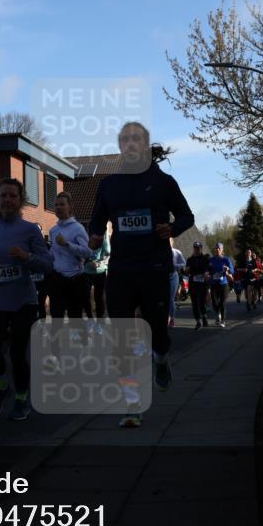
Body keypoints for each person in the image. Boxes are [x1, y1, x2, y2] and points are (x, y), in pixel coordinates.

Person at [88, 122, 194, 427]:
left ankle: (161, 359)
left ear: (145, 146)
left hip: (155, 267)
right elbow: (96, 220)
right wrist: (95, 235)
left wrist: (172, 228)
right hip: (121, 268)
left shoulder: (163, 182)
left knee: (158, 332)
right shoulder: (109, 185)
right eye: (126, 140)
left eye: (137, 139)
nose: (132, 144)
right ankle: (132, 403)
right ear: (121, 146)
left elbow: (187, 215)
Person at [0, 178, 53, 421]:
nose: (7, 200)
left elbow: (48, 264)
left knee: (18, 354)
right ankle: (1, 387)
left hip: (24, 302)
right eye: (3, 196)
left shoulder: (30, 230)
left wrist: (26, 257)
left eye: (12, 196)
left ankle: (21, 400)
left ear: (20, 201)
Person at [48, 192, 92, 322]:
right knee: (56, 317)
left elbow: (88, 252)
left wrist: (67, 244)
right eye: (56, 205)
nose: (58, 208)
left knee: (75, 319)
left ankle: (80, 341)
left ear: (70, 207)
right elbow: (54, 253)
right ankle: (57, 342)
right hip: (57, 279)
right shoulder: (53, 230)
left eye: (62, 204)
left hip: (75, 280)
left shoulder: (78, 228)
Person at [83, 222, 111, 326]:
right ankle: (90, 319)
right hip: (86, 271)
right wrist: (87, 262)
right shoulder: (85, 240)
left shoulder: (103, 240)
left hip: (100, 271)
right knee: (85, 297)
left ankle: (99, 323)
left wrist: (100, 263)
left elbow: (108, 254)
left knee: (99, 298)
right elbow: (81, 254)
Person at [208, 242, 234, 327]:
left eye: (219, 248)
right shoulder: (211, 260)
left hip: (224, 284)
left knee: (222, 303)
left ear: (222, 249)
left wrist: (227, 269)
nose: (218, 249)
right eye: (216, 248)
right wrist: (207, 273)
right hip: (214, 284)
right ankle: (218, 314)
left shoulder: (226, 259)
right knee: (215, 303)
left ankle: (223, 321)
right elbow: (207, 270)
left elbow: (232, 271)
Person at [185, 242, 211, 329]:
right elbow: (187, 270)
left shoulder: (205, 258)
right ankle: (198, 322)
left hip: (202, 284)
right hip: (193, 283)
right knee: (194, 304)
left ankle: (204, 316)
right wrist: (186, 270)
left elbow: (209, 269)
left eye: (198, 248)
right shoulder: (190, 259)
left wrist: (206, 273)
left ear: (201, 248)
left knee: (201, 302)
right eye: (195, 248)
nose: (196, 249)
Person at [168, 237, 186, 328]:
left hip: (173, 276)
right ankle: (166, 317)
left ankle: (172, 319)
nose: (167, 242)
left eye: (169, 241)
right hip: (162, 277)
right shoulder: (160, 252)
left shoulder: (177, 252)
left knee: (170, 298)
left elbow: (183, 263)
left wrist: (175, 265)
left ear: (172, 242)